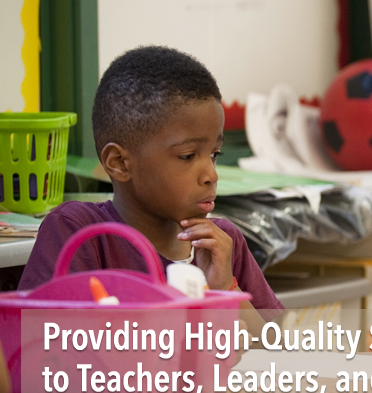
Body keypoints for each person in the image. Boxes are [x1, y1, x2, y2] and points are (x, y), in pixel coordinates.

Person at [19, 46, 284, 329]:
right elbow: (41, 343)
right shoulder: (79, 232)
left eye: (214, 154)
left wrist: (225, 289)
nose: (211, 174)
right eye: (188, 156)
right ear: (119, 163)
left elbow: (278, 349)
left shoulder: (222, 243)